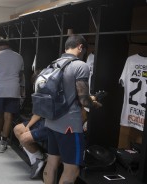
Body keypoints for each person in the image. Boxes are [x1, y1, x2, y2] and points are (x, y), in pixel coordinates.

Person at [42, 35, 102, 184]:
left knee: (51, 163)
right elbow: (84, 100)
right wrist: (93, 102)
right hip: (69, 125)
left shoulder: (54, 63)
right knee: (72, 169)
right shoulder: (80, 66)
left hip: (51, 121)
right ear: (80, 47)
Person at [14, 114, 48, 179]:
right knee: (17, 129)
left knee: (23, 139)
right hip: (41, 120)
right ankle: (37, 159)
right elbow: (38, 113)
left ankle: (40, 159)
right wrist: (28, 126)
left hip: (50, 124)